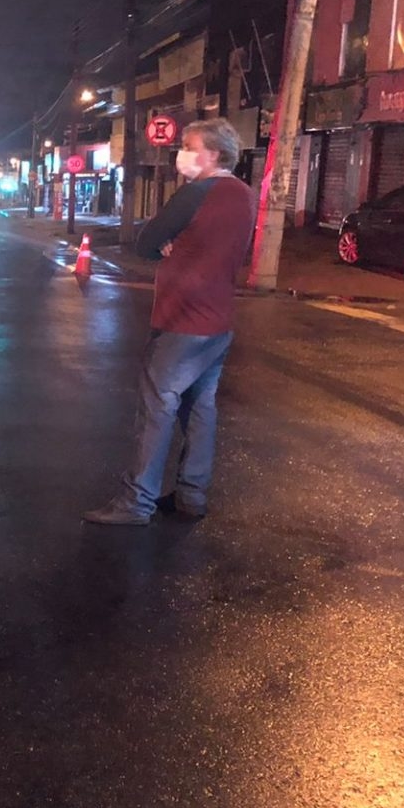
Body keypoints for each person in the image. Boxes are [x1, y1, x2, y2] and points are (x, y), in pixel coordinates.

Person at [83, 118, 256, 525]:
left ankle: (136, 501)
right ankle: (191, 495)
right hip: (219, 319)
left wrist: (167, 244)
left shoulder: (196, 193)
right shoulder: (246, 195)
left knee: (157, 406)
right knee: (200, 407)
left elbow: (145, 243)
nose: (182, 151)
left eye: (190, 145)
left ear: (212, 153)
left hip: (182, 318)